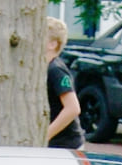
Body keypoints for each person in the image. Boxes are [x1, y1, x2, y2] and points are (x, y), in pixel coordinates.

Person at [45, 16, 83, 149]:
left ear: (52, 44)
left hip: (65, 146)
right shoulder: (43, 68)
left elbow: (72, 108)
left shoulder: (56, 70)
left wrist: (45, 136)